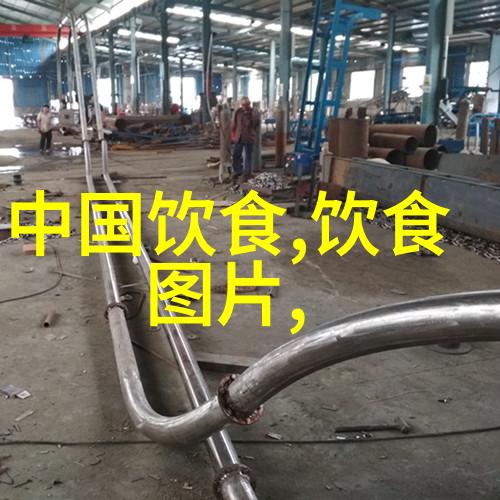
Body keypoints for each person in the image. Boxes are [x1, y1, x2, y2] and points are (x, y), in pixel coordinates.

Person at [231, 96, 260, 182]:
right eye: (243, 105)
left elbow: (256, 123)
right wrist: (233, 133)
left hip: (248, 137)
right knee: (236, 154)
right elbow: (234, 123)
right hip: (239, 137)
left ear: (249, 104)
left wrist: (250, 114)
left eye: (246, 105)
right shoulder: (238, 112)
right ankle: (238, 171)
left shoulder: (253, 112)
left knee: (248, 156)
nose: (244, 107)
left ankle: (247, 173)